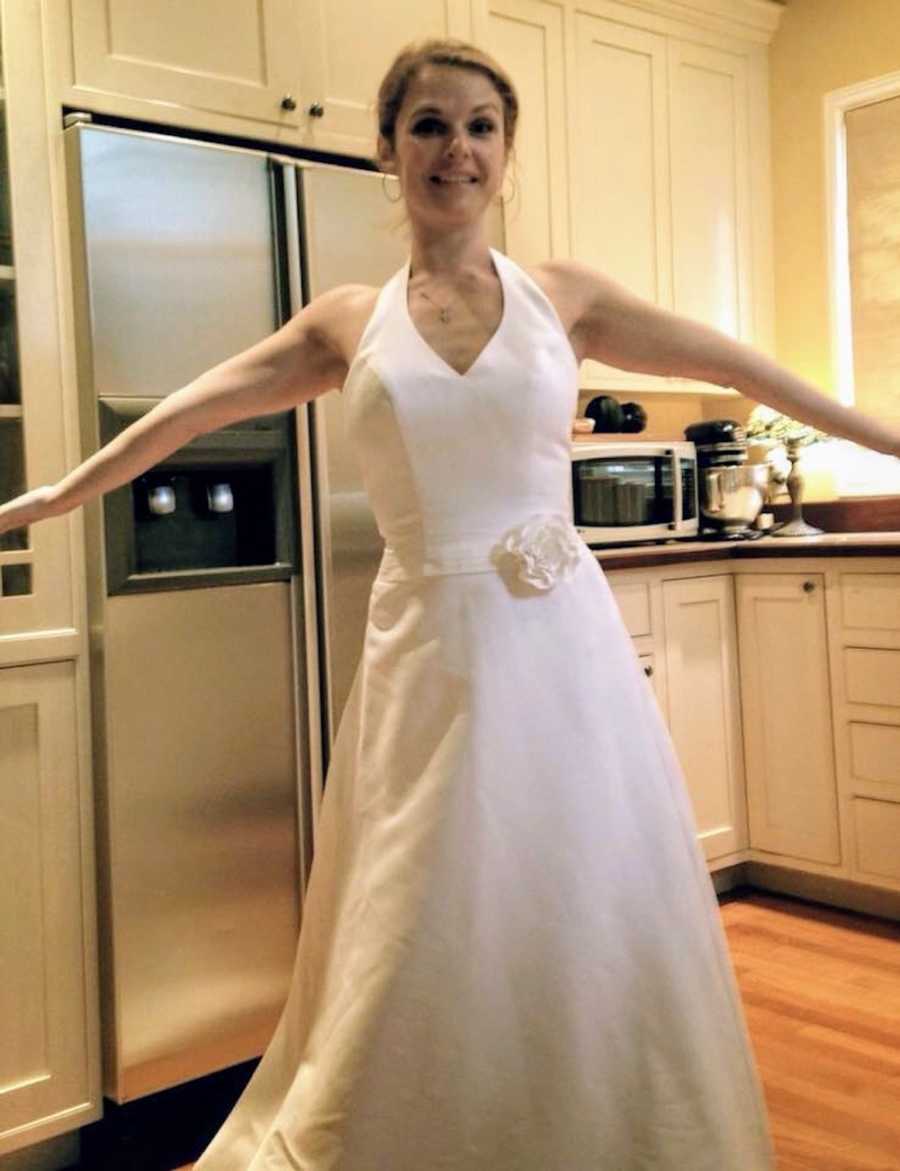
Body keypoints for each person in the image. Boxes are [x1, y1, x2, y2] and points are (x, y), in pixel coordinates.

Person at [3, 37, 899, 1171]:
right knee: (423, 900)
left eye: (480, 126)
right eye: (429, 125)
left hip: (559, 649)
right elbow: (184, 411)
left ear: (506, 153)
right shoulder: (346, 322)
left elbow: (753, 374)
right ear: (388, 149)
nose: (456, 149)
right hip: (427, 653)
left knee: (579, 883)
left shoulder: (565, 298)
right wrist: (50, 495)